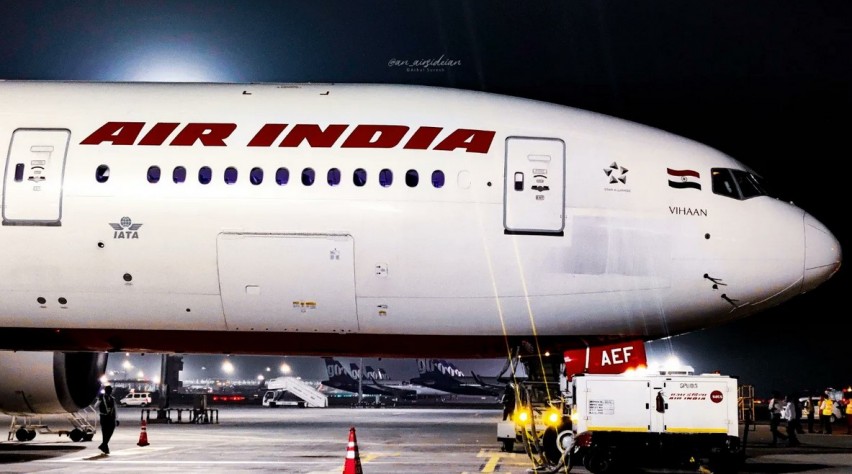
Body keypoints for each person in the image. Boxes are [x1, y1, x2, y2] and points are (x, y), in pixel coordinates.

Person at [96, 385, 117, 454]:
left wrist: (116, 418)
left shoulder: (112, 399)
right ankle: (105, 446)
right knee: (105, 432)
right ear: (106, 391)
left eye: (111, 390)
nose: (110, 392)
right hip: (104, 417)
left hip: (111, 417)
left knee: (111, 430)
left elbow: (115, 409)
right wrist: (99, 400)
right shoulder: (102, 397)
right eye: (109, 390)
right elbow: (95, 406)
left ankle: (104, 445)